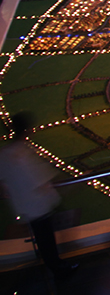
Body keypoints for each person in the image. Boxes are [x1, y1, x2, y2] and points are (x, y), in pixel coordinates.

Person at [0, 113, 75, 278]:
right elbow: (39, 178)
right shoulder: (23, 153)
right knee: (46, 239)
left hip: (27, 206)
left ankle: (56, 265)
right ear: (27, 130)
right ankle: (58, 268)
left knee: (44, 239)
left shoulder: (6, 153)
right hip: (38, 205)